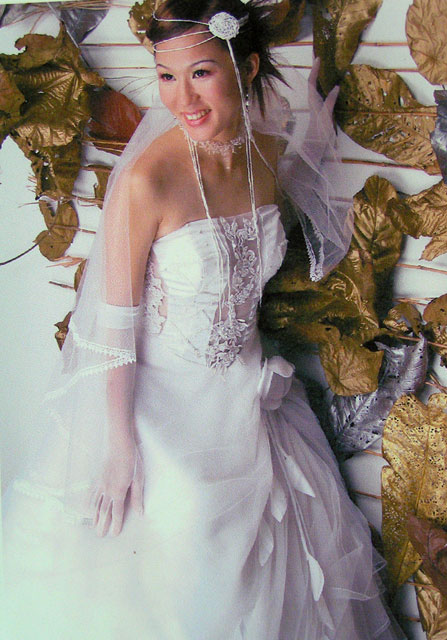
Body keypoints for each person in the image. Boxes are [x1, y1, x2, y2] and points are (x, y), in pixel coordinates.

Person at [2, 1, 405, 638]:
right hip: (159, 413)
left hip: (250, 402)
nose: (181, 98)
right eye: (166, 76)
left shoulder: (267, 158)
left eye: (201, 73)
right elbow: (111, 326)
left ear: (247, 68)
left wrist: (323, 125)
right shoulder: (148, 179)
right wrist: (119, 447)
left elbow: (292, 202)